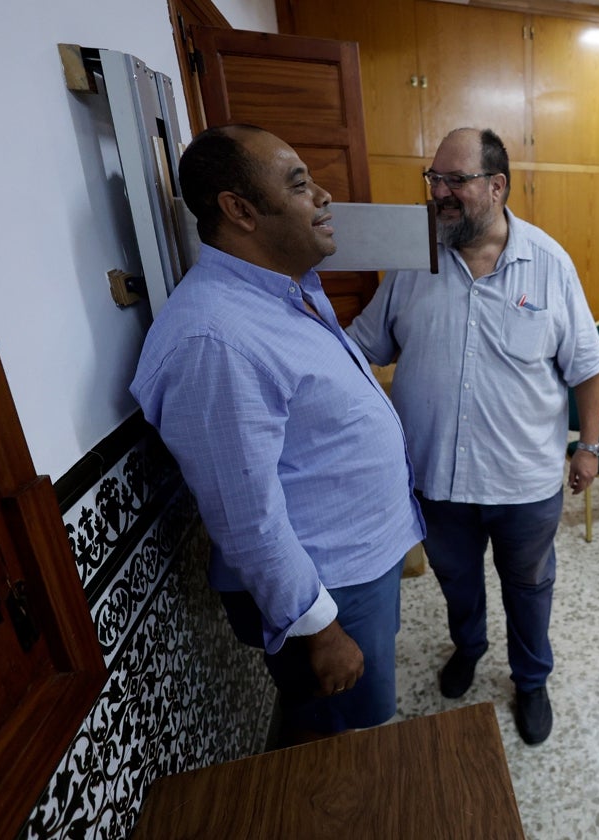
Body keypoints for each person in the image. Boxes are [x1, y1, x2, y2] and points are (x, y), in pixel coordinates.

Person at [130, 125, 425, 745]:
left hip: (354, 566)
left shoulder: (286, 294)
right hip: (324, 592)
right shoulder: (215, 337)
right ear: (239, 211)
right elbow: (245, 514)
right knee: (341, 748)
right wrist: (319, 629)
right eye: (298, 184)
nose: (321, 196)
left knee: (354, 731)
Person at [346, 127, 599, 746]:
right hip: (437, 480)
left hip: (525, 484)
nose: (439, 193)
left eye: (454, 180)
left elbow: (588, 366)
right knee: (456, 581)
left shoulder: (549, 263)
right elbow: (363, 347)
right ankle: (468, 647)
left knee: (530, 588)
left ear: (496, 186)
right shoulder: (416, 261)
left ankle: (531, 678)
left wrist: (589, 446)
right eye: (434, 179)